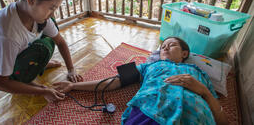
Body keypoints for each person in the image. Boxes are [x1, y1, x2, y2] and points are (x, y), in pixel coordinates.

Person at [53, 37, 228, 125]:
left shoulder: (198, 72)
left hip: (196, 118)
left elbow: (222, 120)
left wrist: (203, 91)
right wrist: (73, 85)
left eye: (172, 45)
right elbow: (113, 82)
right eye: (163, 46)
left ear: (184, 54)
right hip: (150, 113)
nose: (165, 47)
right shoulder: (147, 66)